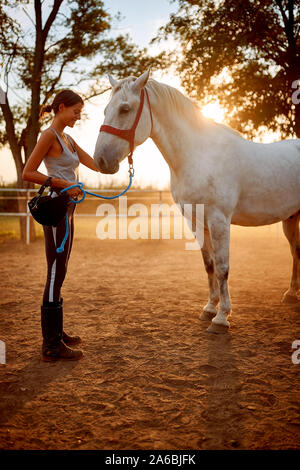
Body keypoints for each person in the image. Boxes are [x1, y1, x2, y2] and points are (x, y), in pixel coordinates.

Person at [23, 89, 100, 361]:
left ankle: (56, 332)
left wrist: (124, 153)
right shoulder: (49, 136)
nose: (79, 117)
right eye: (76, 112)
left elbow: (96, 164)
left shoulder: (69, 138)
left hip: (69, 208)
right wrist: (64, 183)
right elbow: (28, 172)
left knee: (61, 268)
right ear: (62, 107)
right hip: (56, 206)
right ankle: (51, 344)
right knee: (56, 270)